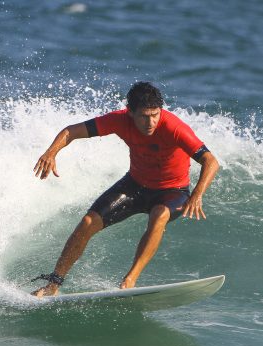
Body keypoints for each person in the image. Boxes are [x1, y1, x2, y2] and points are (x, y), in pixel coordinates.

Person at [31, 81, 219, 297]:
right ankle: (53, 284)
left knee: (160, 214)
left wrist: (197, 195)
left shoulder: (174, 128)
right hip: (135, 185)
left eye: (155, 115)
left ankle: (129, 281)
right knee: (88, 222)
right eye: (144, 116)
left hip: (172, 191)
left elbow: (210, 161)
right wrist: (51, 152)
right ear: (130, 113)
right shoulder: (119, 120)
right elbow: (71, 131)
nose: (151, 122)